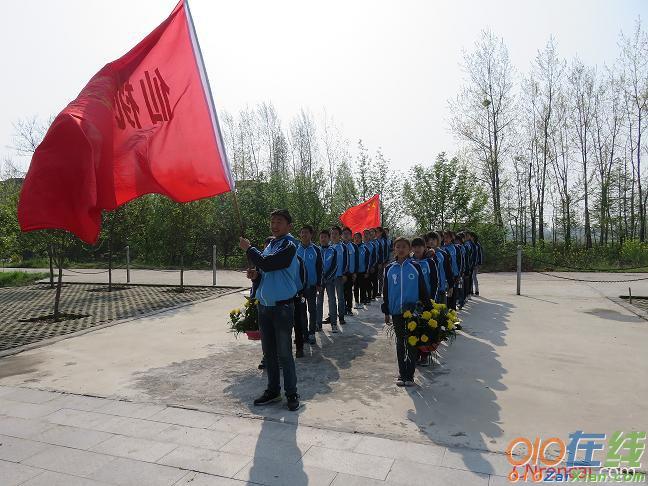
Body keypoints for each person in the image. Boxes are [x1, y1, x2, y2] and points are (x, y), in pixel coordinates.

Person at [239, 209, 300, 411]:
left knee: (284, 353)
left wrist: (250, 249)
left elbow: (270, 263)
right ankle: (273, 390)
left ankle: (291, 393)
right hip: (265, 307)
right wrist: (256, 276)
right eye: (272, 221)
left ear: (289, 226)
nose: (275, 225)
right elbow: (266, 270)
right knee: (269, 353)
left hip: (282, 307)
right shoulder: (271, 245)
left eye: (279, 222)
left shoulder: (290, 245)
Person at [382, 237, 430, 387]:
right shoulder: (389, 269)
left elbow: (422, 288)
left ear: (409, 250)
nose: (401, 249)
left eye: (404, 247)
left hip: (413, 312)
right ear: (394, 249)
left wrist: (427, 307)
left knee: (411, 342)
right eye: (398, 246)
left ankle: (410, 375)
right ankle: (402, 374)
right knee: (400, 343)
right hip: (396, 311)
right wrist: (386, 311)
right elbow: (385, 291)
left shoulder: (415, 267)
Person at [411, 237, 440, 367]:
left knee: (425, 329)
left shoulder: (430, 262)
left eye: (420, 246)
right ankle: (414, 354)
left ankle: (424, 355)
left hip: (427, 301)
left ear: (424, 247)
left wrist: (432, 300)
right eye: (415, 246)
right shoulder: (409, 261)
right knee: (413, 328)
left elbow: (435, 281)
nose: (417, 249)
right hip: (412, 301)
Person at [296, 225, 323, 345]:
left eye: (306, 232)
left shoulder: (316, 250)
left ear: (311, 235)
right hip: (299, 288)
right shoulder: (295, 249)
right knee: (301, 312)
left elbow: (319, 267)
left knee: (312, 310)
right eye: (302, 232)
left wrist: (319, 283)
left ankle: (312, 333)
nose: (304, 235)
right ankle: (304, 334)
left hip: (312, 286)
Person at [317, 229, 340, 333]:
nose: (323, 239)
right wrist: (320, 279)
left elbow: (335, 266)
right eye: (321, 237)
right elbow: (315, 266)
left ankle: (334, 324)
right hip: (319, 282)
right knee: (319, 302)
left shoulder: (333, 250)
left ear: (329, 238)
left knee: (332, 301)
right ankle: (318, 324)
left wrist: (326, 277)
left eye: (325, 237)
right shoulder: (316, 250)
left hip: (330, 280)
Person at [425, 231, 452, 304]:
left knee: (442, 312)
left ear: (438, 241)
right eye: (429, 239)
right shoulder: (424, 255)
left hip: (441, 288)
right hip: (427, 289)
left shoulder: (443, 254)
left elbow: (448, 270)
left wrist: (451, 285)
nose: (431, 241)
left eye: (433, 239)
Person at [330, 226, 348, 325]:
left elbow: (346, 262)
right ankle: (332, 316)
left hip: (339, 276)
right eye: (332, 234)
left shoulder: (343, 247)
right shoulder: (328, 246)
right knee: (331, 298)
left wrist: (345, 274)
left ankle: (341, 317)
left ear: (340, 235)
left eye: (336, 234)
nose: (333, 236)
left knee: (340, 298)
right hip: (329, 277)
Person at [341, 227, 358, 315]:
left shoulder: (354, 246)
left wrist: (355, 272)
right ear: (341, 236)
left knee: (349, 291)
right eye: (344, 234)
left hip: (351, 273)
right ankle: (342, 308)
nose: (346, 235)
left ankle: (349, 308)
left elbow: (357, 260)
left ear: (351, 236)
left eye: (348, 234)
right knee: (342, 292)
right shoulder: (339, 246)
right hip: (341, 273)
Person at [442, 229, 460, 310]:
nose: (445, 239)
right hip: (444, 275)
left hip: (454, 274)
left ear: (452, 238)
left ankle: (452, 311)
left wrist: (460, 272)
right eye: (444, 237)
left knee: (453, 293)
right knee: (446, 295)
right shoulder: (441, 248)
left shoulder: (456, 248)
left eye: (447, 237)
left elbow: (459, 261)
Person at [354, 231, 370, 306]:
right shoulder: (352, 248)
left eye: (358, 237)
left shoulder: (365, 248)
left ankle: (362, 300)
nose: (356, 239)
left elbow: (367, 261)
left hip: (362, 271)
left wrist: (367, 271)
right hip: (354, 272)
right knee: (355, 287)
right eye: (355, 238)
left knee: (362, 287)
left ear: (361, 238)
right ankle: (357, 301)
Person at [363, 229, 376, 302]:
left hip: (370, 267)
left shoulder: (372, 246)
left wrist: (373, 266)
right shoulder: (361, 244)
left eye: (367, 234)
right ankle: (364, 297)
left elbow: (375, 257)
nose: (365, 235)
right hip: (362, 267)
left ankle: (370, 296)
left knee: (369, 283)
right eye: (364, 234)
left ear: (369, 236)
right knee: (363, 283)